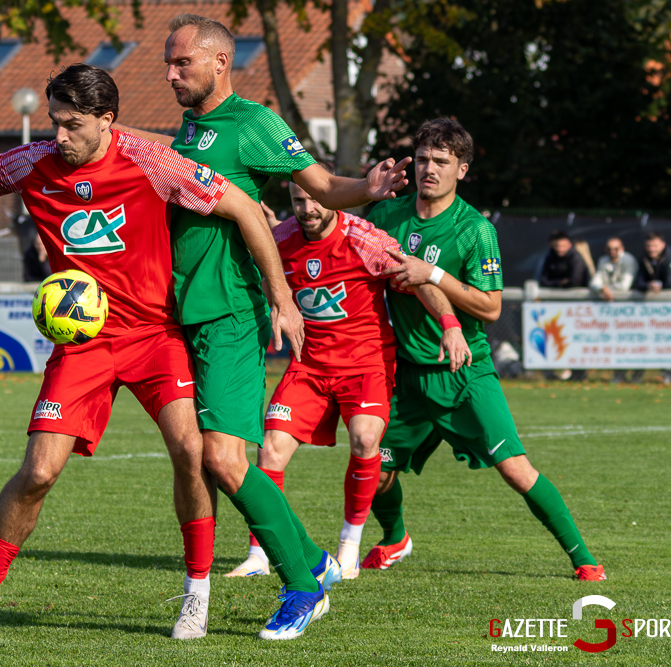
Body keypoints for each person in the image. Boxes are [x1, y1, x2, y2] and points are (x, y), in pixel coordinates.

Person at [0, 64, 304, 641]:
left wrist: (280, 296)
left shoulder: (151, 161)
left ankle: (196, 594)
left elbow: (241, 205)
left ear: (107, 120)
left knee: (193, 452)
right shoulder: (32, 162)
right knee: (39, 472)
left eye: (72, 125)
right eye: (54, 122)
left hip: (153, 336)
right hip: (83, 345)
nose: (59, 136)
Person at [118, 14, 411, 640]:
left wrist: (368, 187)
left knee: (226, 461)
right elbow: (169, 164)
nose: (170, 74)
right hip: (182, 316)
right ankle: (312, 561)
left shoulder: (255, 123)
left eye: (181, 63)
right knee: (202, 459)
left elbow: (322, 185)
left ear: (219, 62)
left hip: (229, 314)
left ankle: (303, 588)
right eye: (168, 63)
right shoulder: (192, 128)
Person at [373, 118, 606, 581]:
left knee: (516, 470)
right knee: (374, 471)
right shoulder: (386, 215)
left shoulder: (475, 230)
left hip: (465, 374)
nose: (429, 169)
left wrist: (432, 274)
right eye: (423, 159)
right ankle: (395, 538)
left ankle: (584, 559)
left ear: (462, 169)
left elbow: (491, 307)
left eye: (442, 162)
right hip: (407, 376)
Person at [225, 172, 469, 581]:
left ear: (333, 197)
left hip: (365, 364)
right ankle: (259, 555)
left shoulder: (363, 238)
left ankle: (349, 548)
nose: (307, 209)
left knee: (366, 439)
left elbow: (417, 277)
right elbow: (262, 267)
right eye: (298, 200)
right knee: (269, 452)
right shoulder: (281, 238)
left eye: (315, 199)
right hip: (309, 365)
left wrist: (450, 324)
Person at [589, 236, 637, 301]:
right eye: (609, 249)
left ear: (622, 249)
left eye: (616, 249)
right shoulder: (603, 260)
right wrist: (602, 289)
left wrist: (605, 289)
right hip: (606, 300)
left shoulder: (628, 260)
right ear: (605, 249)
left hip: (627, 301)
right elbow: (594, 282)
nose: (612, 251)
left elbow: (624, 286)